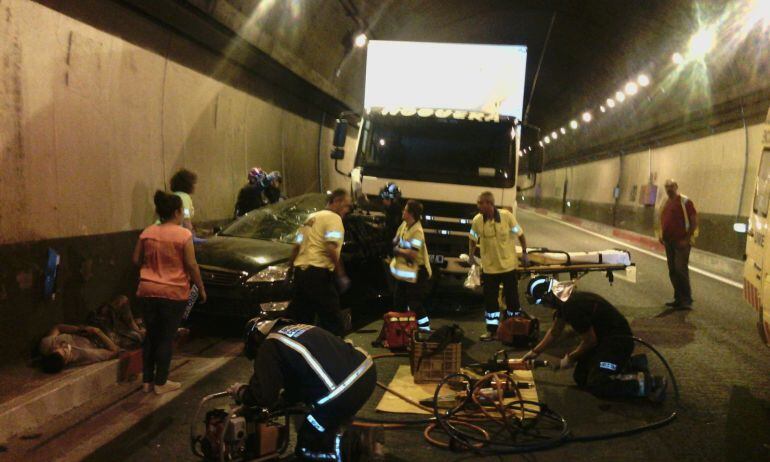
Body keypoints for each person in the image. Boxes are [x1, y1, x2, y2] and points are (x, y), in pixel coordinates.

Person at [228, 316, 376, 461]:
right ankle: (349, 436)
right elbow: (298, 385)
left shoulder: (269, 345)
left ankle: (352, 445)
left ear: (254, 339)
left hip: (341, 392)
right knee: (328, 419)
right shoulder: (298, 329)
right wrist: (283, 401)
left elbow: (262, 396)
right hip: (366, 372)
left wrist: (241, 392)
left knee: (306, 446)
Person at [522, 276, 666, 401]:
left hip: (617, 343)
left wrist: (570, 358)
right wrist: (535, 352)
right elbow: (555, 331)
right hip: (605, 341)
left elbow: (590, 341)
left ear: (548, 297)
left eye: (541, 302)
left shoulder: (573, 306)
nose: (543, 306)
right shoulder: (565, 301)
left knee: (598, 383)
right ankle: (631, 364)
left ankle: (651, 383)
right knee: (581, 377)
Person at [133, 191, 207, 395]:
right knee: (166, 337)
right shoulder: (183, 235)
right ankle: (161, 382)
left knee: (151, 336)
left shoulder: (147, 232)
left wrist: (150, 269)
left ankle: (147, 381)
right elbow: (192, 265)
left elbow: (135, 259)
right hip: (173, 293)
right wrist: (200, 288)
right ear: (176, 212)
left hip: (147, 291)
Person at [287, 189, 352, 337]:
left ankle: (299, 352)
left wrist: (290, 268)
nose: (347, 210)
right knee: (333, 321)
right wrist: (341, 274)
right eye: (346, 206)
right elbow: (331, 248)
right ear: (336, 201)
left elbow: (297, 245)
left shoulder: (311, 217)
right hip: (318, 275)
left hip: (301, 274)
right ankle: (334, 355)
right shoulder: (334, 219)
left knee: (302, 321)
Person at [468, 191, 529, 341]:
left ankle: (514, 329)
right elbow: (472, 237)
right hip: (489, 268)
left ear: (489, 204)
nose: (478, 206)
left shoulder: (506, 217)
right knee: (490, 302)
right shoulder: (477, 220)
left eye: (480, 203)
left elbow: (520, 234)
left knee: (513, 301)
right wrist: (471, 255)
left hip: (508, 266)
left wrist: (525, 252)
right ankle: (492, 331)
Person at [390, 200, 432, 331]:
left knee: (414, 303)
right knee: (399, 301)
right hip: (406, 271)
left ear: (411, 214)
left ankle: (425, 328)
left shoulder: (417, 231)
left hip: (418, 272)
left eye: (405, 210)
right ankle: (403, 332)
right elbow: (396, 240)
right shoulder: (404, 225)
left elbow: (413, 254)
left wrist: (399, 250)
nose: (403, 211)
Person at [657, 179, 697, 310]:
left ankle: (686, 299)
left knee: (680, 270)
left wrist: (687, 238)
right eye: (667, 186)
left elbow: (693, 220)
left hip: (681, 242)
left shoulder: (685, 201)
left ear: (676, 187)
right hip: (669, 242)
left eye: (671, 186)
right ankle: (678, 298)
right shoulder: (665, 202)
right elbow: (661, 219)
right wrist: (661, 235)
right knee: (673, 271)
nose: (669, 188)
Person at [39, 324, 120, 373]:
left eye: (55, 348)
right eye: (64, 350)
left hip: (85, 328)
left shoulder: (47, 345)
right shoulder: (86, 354)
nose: (59, 345)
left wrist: (79, 329)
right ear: (66, 360)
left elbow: (58, 328)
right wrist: (98, 331)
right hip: (104, 336)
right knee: (122, 300)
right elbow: (114, 351)